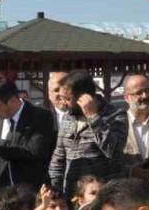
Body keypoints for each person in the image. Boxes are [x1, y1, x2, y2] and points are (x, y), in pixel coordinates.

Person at [48, 69, 126, 198]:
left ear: (84, 97)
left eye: (68, 99)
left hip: (103, 196)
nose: (64, 103)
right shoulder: (69, 117)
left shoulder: (116, 115)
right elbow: (59, 156)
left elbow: (114, 150)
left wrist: (93, 117)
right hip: (72, 196)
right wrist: (55, 188)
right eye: (62, 98)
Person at [0, 75, 57, 190]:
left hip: (30, 193)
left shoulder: (40, 117)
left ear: (12, 100)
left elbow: (34, 152)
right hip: (2, 194)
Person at [121, 74, 149, 178]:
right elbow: (109, 162)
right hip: (128, 189)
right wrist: (130, 171)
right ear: (127, 98)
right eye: (139, 92)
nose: (145, 96)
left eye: (147, 90)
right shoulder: (117, 126)